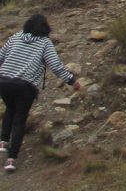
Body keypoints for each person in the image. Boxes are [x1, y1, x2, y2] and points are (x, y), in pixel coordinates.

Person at [0, 14, 81, 173]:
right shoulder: (45, 43)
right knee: (20, 120)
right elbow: (55, 66)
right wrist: (72, 81)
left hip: (4, 81)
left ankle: (3, 142)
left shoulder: (16, 36)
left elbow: (0, 57)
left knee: (10, 108)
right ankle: (11, 160)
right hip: (25, 86)